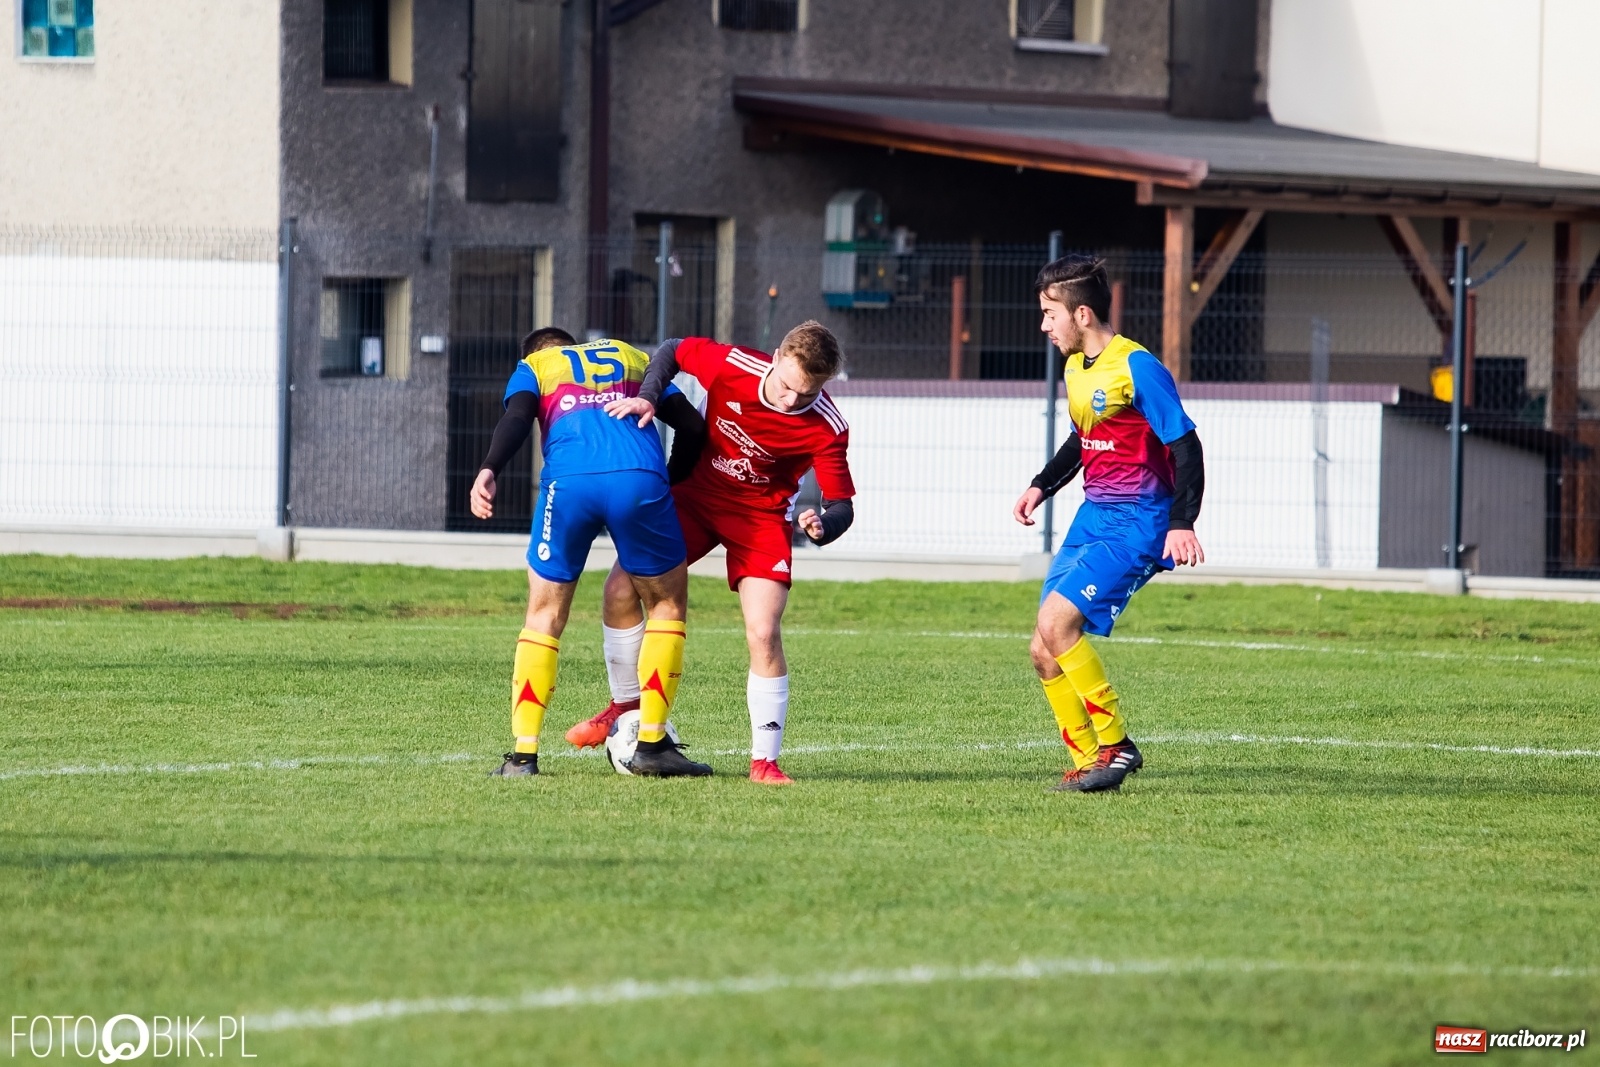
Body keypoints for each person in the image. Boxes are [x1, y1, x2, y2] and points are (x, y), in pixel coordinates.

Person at [569, 321, 856, 785]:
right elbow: (673, 349)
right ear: (777, 356)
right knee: (619, 588)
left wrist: (823, 527)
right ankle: (624, 710)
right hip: (694, 501)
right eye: (786, 387)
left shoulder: (827, 425)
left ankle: (764, 762)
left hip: (759, 523)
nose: (790, 402)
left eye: (805, 395)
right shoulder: (733, 364)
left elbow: (841, 504)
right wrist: (648, 394)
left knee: (764, 633)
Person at [472, 327, 711, 779]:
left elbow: (518, 417)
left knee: (542, 616)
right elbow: (694, 426)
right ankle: (653, 744)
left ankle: (522, 757)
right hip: (638, 477)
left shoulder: (535, 366)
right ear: (578, 343)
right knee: (665, 604)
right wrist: (668, 480)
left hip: (568, 483)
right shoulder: (630, 356)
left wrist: (489, 469)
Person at [1013, 256, 1206, 793]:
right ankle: (1086, 761)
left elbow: (1185, 445)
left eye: (1050, 314)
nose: (1044, 325)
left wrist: (1181, 521)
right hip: (1091, 517)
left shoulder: (1137, 367)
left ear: (1082, 312)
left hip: (1138, 522)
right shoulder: (1077, 367)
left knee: (1057, 625)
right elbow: (1082, 439)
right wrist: (1040, 484)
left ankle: (1117, 748)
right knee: (1041, 648)